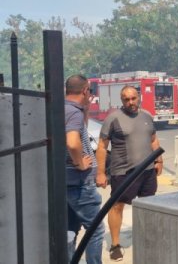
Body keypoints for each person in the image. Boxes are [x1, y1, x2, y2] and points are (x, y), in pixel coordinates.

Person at [95, 85, 163, 261]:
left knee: (148, 206)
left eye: (133, 98)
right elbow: (102, 147)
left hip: (147, 172)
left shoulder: (147, 116)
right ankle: (115, 245)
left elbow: (154, 140)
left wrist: (159, 161)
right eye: (126, 99)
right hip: (123, 172)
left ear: (138, 97)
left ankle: (147, 239)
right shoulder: (113, 119)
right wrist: (100, 173)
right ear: (122, 100)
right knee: (117, 206)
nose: (130, 102)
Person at [64, 74, 104, 264]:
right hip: (80, 184)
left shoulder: (62, 109)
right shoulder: (73, 112)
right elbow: (72, 143)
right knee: (95, 230)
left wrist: (85, 109)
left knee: (71, 230)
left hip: (66, 182)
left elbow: (81, 132)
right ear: (85, 90)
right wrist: (80, 162)